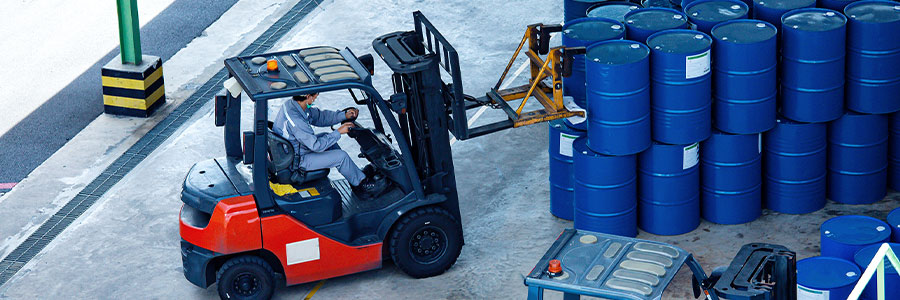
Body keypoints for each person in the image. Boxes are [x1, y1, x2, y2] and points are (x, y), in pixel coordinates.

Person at [272, 93, 386, 197]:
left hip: (295, 151)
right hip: (297, 162)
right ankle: (363, 188)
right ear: (307, 96)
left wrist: (344, 115)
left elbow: (320, 117)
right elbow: (316, 146)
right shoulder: (296, 121)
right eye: (315, 96)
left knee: (327, 138)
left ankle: (356, 178)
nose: (316, 97)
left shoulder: (294, 105)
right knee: (341, 157)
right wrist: (338, 132)